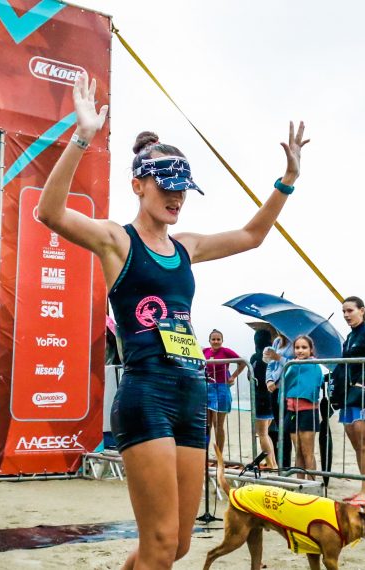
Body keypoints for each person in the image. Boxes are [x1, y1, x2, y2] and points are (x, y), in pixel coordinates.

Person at [38, 72, 307, 568]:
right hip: (147, 394)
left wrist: (286, 181)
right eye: (167, 187)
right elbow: (49, 212)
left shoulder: (187, 247)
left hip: (191, 392)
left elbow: (252, 235)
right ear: (138, 185)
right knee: (160, 545)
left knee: (176, 545)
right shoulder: (117, 241)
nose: (177, 197)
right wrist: (81, 136)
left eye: (184, 189)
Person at [330, 296, 365, 507]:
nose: (346, 315)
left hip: (364, 393)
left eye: (350, 310)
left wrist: (362, 381)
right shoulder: (351, 336)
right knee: (356, 444)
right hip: (348, 395)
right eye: (343, 311)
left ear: (362, 310)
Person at [270, 335, 323, 481]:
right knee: (298, 451)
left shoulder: (314, 365)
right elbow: (284, 384)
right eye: (297, 347)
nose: (300, 351)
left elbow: (314, 385)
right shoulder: (291, 365)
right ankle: (300, 483)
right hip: (292, 410)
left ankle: (311, 485)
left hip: (307, 411)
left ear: (311, 350)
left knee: (308, 452)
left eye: (304, 347)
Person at [203, 329, 246, 458]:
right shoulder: (204, 351)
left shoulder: (226, 351)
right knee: (207, 424)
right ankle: (204, 455)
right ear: (209, 340)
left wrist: (233, 376)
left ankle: (219, 455)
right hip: (208, 387)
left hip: (222, 388)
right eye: (213, 339)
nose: (216, 342)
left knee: (219, 425)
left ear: (222, 340)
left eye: (218, 339)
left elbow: (242, 362)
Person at [249, 327, 278, 469]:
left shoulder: (256, 357)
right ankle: (273, 462)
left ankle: (272, 464)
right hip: (271, 397)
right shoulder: (273, 355)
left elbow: (251, 376)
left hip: (260, 397)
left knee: (262, 434)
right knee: (266, 434)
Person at [265, 333, 295, 468]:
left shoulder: (295, 342)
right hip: (274, 389)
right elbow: (270, 365)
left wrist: (279, 357)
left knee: (286, 429)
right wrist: (269, 380)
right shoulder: (277, 341)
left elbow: (293, 366)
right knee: (279, 429)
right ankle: (280, 464)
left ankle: (286, 465)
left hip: (287, 389)